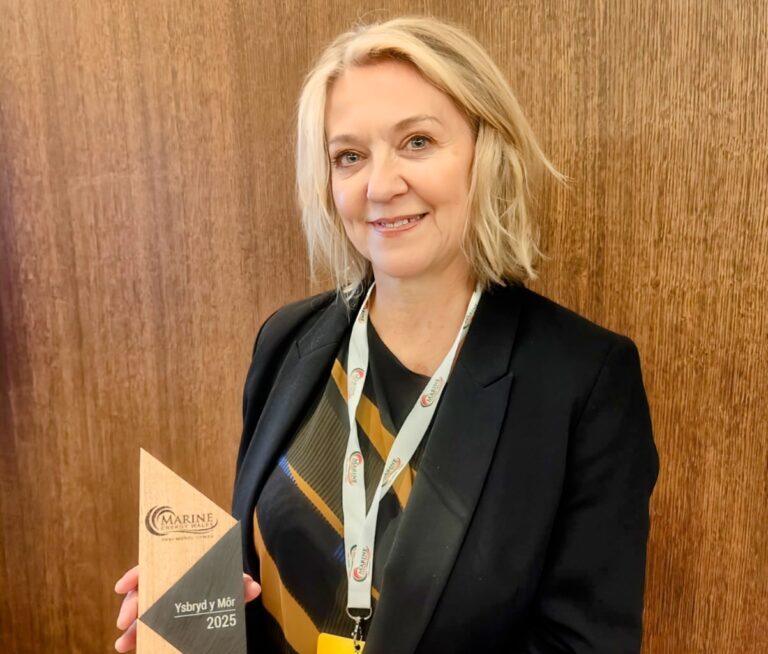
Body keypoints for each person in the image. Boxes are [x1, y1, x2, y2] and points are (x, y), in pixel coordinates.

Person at [115, 15, 659, 654]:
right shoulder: (288, 342)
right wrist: (210, 627)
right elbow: (267, 590)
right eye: (350, 156)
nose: (380, 185)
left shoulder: (583, 380)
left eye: (418, 142)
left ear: (487, 153)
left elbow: (583, 646)